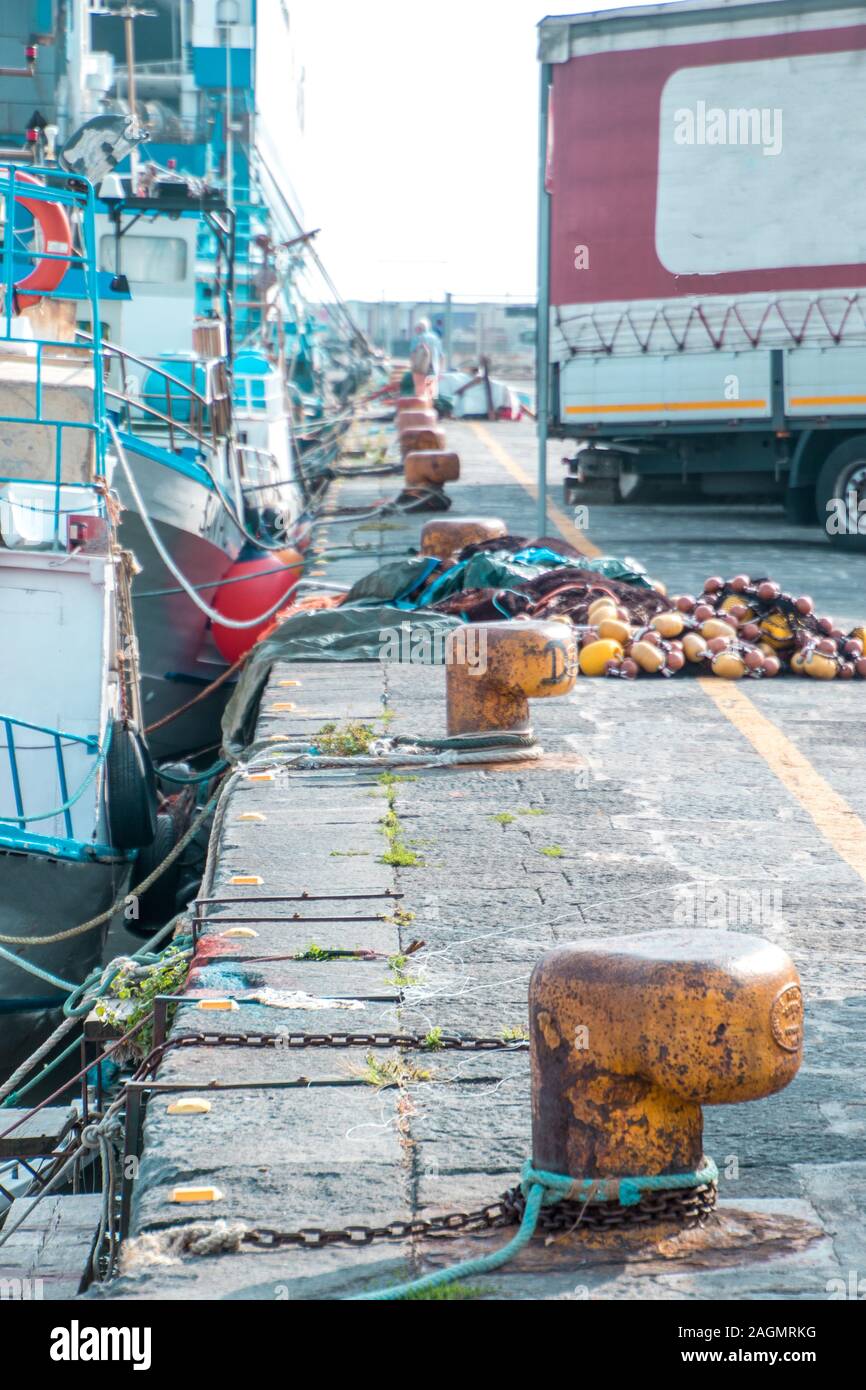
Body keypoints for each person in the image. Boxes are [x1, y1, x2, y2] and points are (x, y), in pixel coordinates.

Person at [409, 317, 442, 403]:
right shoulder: (435, 338)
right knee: (431, 392)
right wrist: (440, 370)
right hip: (433, 367)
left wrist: (412, 366)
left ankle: (421, 410)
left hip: (419, 367)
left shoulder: (417, 338)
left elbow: (413, 354)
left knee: (420, 391)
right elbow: (441, 355)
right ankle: (431, 410)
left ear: (419, 328)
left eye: (416, 328)